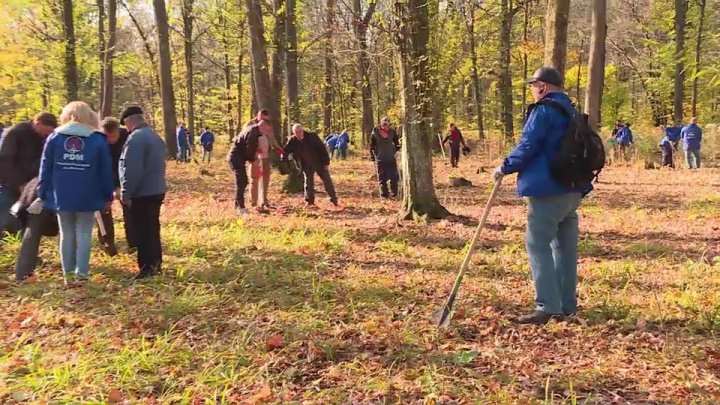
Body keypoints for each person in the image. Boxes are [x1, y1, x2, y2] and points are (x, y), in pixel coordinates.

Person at [493, 67, 592, 324]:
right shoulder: (572, 111)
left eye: (533, 85)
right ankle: (566, 304)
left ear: (543, 86)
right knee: (565, 249)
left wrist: (505, 167)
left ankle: (548, 306)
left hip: (548, 189)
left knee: (537, 244)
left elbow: (528, 144)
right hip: (573, 190)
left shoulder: (544, 110)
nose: (532, 90)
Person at [32, 102, 114, 286]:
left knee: (66, 233)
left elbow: (45, 168)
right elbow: (105, 171)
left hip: (62, 194)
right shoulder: (97, 139)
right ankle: (82, 274)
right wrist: (108, 195)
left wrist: (42, 192)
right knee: (84, 233)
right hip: (88, 193)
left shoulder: (54, 137)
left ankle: (68, 275)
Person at [119, 106, 168, 280]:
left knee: (142, 231)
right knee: (153, 229)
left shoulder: (135, 139)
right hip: (157, 190)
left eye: (125, 125)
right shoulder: (155, 137)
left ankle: (146, 268)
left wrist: (126, 193)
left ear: (129, 122)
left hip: (142, 193)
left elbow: (131, 169)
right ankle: (156, 263)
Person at [0, 112, 58, 236]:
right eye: (46, 131)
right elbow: (5, 162)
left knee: (25, 218)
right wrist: (19, 184)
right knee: (4, 214)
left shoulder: (45, 138)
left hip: (31, 186)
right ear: (38, 123)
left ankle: (22, 247)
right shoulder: (15, 133)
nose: (47, 135)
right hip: (11, 184)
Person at [98, 117, 135, 256]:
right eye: (106, 136)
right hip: (104, 179)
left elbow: (129, 164)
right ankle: (107, 244)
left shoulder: (128, 138)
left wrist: (121, 186)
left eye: (112, 136)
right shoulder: (98, 140)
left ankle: (133, 244)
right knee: (104, 213)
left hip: (125, 179)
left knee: (130, 212)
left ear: (118, 131)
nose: (109, 140)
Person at [284, 123, 338, 207]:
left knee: (327, 181)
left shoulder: (312, 136)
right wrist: (283, 158)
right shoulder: (292, 141)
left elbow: (322, 149)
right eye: (296, 132)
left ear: (303, 130)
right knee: (308, 183)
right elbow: (286, 151)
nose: (299, 134)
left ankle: (334, 199)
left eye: (300, 131)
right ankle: (310, 201)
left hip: (319, 162)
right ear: (294, 133)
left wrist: (326, 162)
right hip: (306, 165)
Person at [227, 120, 268, 214]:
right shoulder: (253, 134)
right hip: (235, 158)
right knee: (241, 181)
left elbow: (247, 147)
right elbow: (249, 150)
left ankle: (237, 205)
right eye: (266, 129)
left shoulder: (253, 130)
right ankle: (240, 207)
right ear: (262, 127)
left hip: (238, 158)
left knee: (242, 182)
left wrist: (256, 150)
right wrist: (254, 161)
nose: (266, 132)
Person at [250, 123, 283, 211]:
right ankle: (254, 202)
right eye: (265, 128)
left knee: (265, 179)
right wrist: (255, 150)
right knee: (255, 179)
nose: (267, 130)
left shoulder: (268, 133)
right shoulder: (252, 131)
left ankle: (264, 200)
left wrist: (277, 148)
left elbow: (273, 143)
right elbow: (248, 143)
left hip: (266, 158)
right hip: (255, 158)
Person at [370, 117, 401, 199]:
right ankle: (384, 195)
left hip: (391, 157)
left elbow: (396, 142)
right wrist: (373, 157)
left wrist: (397, 151)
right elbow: (372, 146)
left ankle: (395, 194)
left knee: (393, 177)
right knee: (382, 178)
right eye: (384, 124)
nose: (386, 126)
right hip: (380, 158)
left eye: (388, 125)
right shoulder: (375, 133)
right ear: (381, 124)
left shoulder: (392, 132)